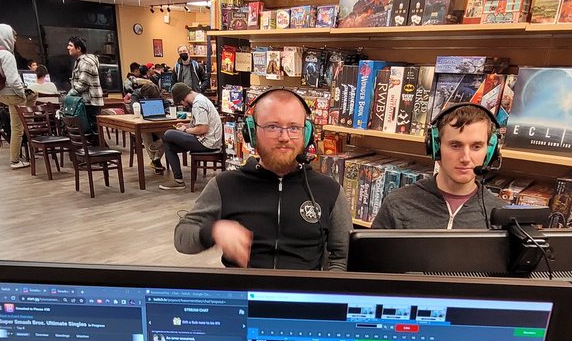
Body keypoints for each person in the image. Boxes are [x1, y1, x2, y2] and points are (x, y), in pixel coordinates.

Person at [174, 87, 350, 270]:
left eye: (294, 127)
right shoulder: (225, 185)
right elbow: (182, 236)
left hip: (305, 289)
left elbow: (342, 255)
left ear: (306, 134)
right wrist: (213, 231)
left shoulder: (330, 191)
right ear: (251, 132)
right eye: (273, 126)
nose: (284, 137)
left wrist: (327, 285)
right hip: (244, 287)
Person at [371, 102, 507, 229]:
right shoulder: (398, 204)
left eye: (476, 147)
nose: (465, 158)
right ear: (436, 148)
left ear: (490, 151)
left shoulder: (501, 217)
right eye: (455, 146)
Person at [159, 82, 222, 190]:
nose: (183, 105)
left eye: (181, 102)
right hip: (208, 140)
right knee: (168, 144)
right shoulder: (201, 99)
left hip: (207, 142)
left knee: (168, 134)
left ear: (183, 98)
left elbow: (203, 129)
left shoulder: (198, 104)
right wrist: (187, 126)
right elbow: (201, 124)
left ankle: (157, 146)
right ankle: (178, 181)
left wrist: (185, 130)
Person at [0, 23, 34, 170]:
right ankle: (15, 160)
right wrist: (22, 94)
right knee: (17, 129)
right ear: (7, 36)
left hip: (1, 94)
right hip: (13, 94)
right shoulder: (7, 55)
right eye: (13, 36)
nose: (15, 39)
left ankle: (31, 125)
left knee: (17, 125)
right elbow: (14, 80)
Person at [67, 35, 104, 143]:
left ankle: (100, 151)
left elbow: (83, 84)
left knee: (93, 131)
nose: (68, 48)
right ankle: (94, 150)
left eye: (70, 45)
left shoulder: (86, 62)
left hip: (90, 102)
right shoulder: (79, 61)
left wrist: (69, 94)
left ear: (78, 48)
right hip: (86, 101)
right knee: (90, 131)